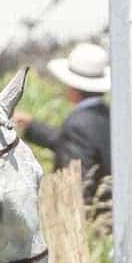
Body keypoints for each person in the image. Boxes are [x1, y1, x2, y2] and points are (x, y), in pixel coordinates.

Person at [14, 41, 111, 206]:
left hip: (91, 220)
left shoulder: (78, 125)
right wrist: (31, 125)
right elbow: (68, 141)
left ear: (73, 88)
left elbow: (76, 187)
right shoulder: (105, 114)